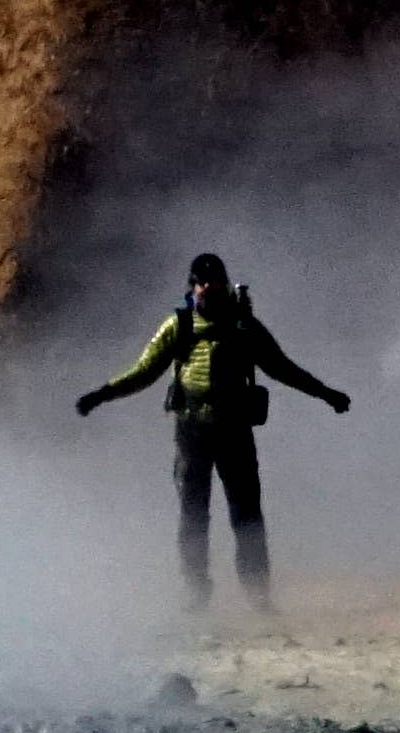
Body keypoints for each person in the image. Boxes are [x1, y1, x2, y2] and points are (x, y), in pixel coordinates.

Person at [72, 251, 351, 602]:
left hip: (234, 431)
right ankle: (197, 593)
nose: (211, 292)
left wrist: (325, 394)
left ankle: (257, 594)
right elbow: (144, 371)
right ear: (193, 288)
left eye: (217, 286)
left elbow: (281, 368)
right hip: (192, 432)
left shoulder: (244, 325)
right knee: (193, 516)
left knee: (246, 515)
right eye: (205, 286)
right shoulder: (180, 326)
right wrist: (103, 394)